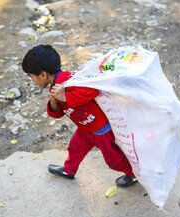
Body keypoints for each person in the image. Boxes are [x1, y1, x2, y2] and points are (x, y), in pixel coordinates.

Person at [22, 44, 137, 187]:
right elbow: (58, 114)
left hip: (101, 130)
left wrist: (65, 97)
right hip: (84, 128)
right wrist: (54, 102)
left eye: (31, 77)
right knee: (74, 148)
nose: (33, 80)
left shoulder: (70, 79)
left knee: (114, 160)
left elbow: (92, 91)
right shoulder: (55, 87)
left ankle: (134, 174)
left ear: (43, 74)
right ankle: (69, 171)